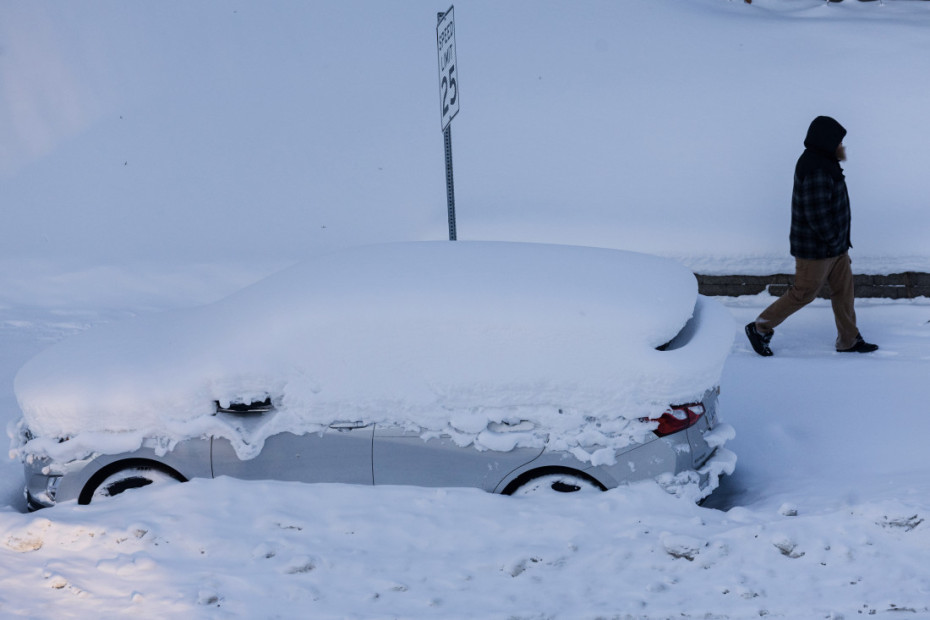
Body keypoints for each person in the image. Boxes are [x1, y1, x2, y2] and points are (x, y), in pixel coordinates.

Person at [745, 115, 878, 357]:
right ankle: (760, 327)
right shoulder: (816, 167)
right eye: (839, 142)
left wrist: (839, 244)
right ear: (827, 141)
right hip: (817, 250)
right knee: (803, 293)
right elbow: (817, 215)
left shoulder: (825, 161)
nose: (842, 146)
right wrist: (835, 240)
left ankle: (849, 340)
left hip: (835, 247)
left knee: (844, 292)